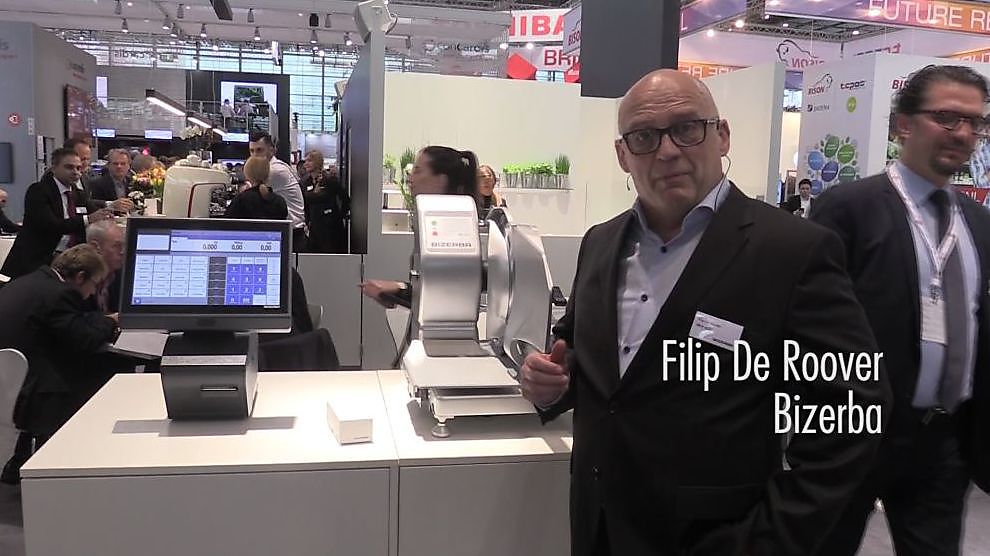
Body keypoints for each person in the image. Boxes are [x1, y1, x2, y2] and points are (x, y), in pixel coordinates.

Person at [519, 69, 891, 556]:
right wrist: (550, 380)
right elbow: (582, 354)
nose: (667, 150)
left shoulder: (792, 250)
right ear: (623, 155)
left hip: (720, 537)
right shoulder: (601, 242)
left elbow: (848, 413)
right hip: (600, 526)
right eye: (644, 137)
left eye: (687, 128)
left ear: (722, 136)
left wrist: (773, 538)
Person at [811, 65, 990, 556]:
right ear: (903, 125)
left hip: (944, 441)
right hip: (854, 433)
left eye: (975, 122)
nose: (964, 133)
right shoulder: (848, 208)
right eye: (947, 118)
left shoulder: (978, 223)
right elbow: (809, 324)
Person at [0, 244, 119, 484]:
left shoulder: (29, 282)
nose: (92, 293)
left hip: (11, 374)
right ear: (80, 277)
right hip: (33, 387)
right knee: (101, 371)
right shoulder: (59, 294)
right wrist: (112, 322)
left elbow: (70, 323)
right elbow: (85, 339)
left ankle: (20, 459)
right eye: (94, 285)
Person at [360, 146, 479, 308]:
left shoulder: (454, 226)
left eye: (418, 171)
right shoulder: (433, 221)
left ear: (441, 180)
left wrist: (400, 289)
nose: (410, 178)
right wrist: (397, 293)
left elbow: (447, 293)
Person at [0, 148, 117, 279]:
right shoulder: (38, 191)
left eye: (78, 168)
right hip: (35, 261)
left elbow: (94, 212)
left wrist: (106, 216)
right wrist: (87, 219)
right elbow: (51, 226)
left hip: (69, 260)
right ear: (54, 168)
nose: (75, 172)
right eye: (69, 167)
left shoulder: (78, 194)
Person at [248, 132, 306, 252]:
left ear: (271, 150)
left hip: (292, 234)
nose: (255, 155)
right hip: (289, 230)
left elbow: (250, 192)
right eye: (252, 151)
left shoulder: (275, 170)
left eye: (259, 150)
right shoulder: (274, 166)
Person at [301, 150, 349, 253]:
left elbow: (345, 198)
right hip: (313, 227)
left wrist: (340, 216)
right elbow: (303, 201)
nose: (306, 164)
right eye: (305, 161)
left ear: (318, 162)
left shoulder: (330, 180)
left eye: (309, 161)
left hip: (330, 228)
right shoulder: (304, 181)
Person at [224, 156, 289, 221]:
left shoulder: (240, 200)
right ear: (268, 174)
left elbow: (227, 223)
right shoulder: (280, 202)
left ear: (247, 174)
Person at [84, 220, 124, 314]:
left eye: (123, 245)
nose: (123, 251)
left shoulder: (121, 275)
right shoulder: (81, 280)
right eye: (117, 246)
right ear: (95, 247)